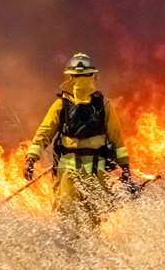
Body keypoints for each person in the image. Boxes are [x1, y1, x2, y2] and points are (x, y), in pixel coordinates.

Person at [23, 53, 134, 240]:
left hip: (73, 175)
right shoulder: (101, 105)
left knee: (76, 216)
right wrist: (125, 169)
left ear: (70, 77)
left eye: (84, 76)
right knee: (84, 216)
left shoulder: (63, 105)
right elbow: (117, 140)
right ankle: (82, 248)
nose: (82, 81)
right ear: (94, 75)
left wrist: (30, 160)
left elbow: (43, 134)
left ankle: (80, 249)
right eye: (80, 76)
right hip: (90, 174)